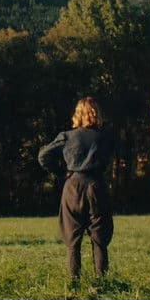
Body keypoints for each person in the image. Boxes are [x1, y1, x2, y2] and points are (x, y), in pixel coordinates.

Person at [38, 96, 116, 283]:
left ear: (77, 114)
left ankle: (74, 282)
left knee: (73, 239)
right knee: (100, 239)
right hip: (97, 185)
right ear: (96, 113)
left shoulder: (67, 136)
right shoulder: (105, 137)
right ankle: (102, 282)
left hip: (73, 186)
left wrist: (61, 172)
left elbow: (43, 156)